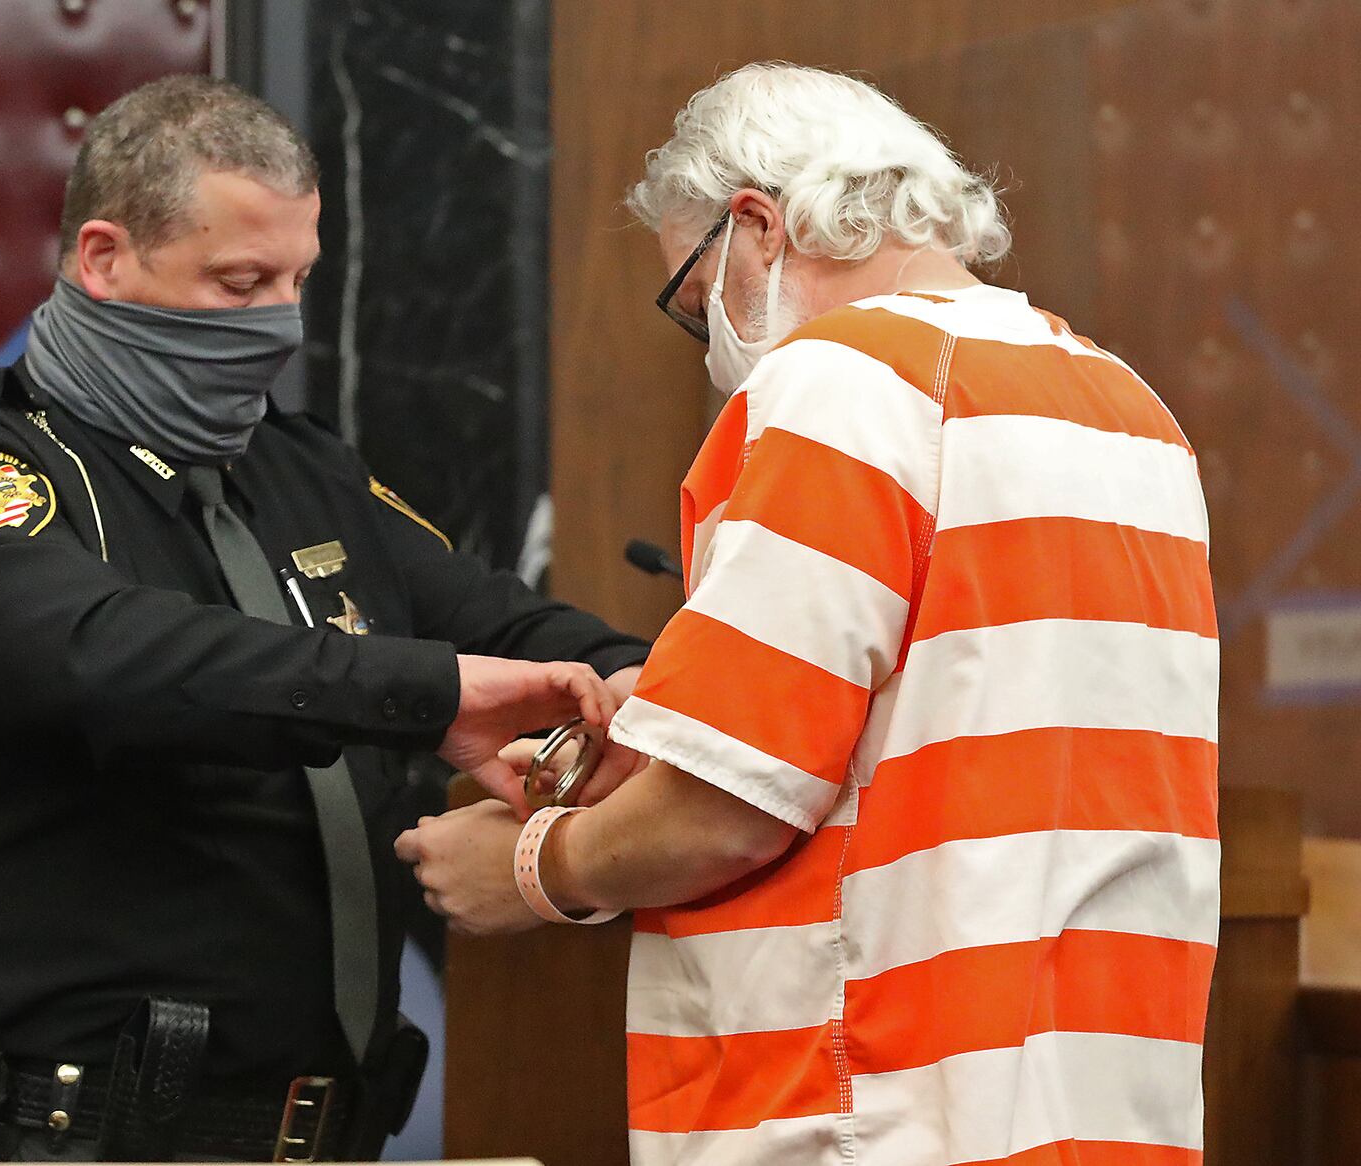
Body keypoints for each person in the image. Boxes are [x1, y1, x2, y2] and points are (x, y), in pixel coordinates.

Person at [397, 63, 1219, 1166]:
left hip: (872, 1101)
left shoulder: (840, 383)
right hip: (1094, 1094)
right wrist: (683, 707)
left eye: (695, 306)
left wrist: (534, 866)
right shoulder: (1125, 403)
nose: (711, 351)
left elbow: (725, 806)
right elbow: (952, 722)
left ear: (756, 225)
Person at [0, 75, 647, 1163]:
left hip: (317, 1130)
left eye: (298, 279)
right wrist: (427, 698)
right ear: (105, 258)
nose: (279, 320)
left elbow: (506, 622)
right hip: (45, 1131)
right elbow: (109, 659)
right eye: (239, 281)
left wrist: (637, 683)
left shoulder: (300, 468)